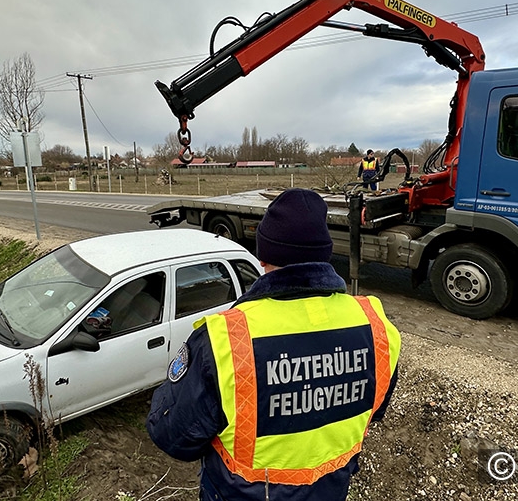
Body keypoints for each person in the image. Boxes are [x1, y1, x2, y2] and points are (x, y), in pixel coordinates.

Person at [147, 188, 401, 501]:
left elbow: (172, 435)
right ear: (324, 253)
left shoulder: (226, 337)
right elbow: (369, 409)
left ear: (262, 255)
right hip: (330, 491)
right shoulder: (376, 326)